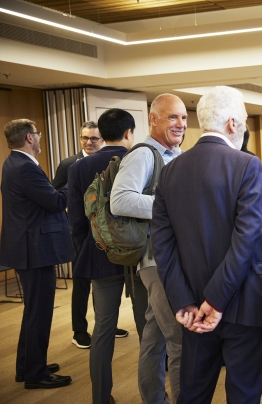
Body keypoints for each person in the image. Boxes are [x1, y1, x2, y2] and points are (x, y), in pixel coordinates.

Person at [151, 86, 262, 403]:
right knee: (243, 392)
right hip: (243, 302)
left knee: (194, 391)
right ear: (233, 123)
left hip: (191, 305)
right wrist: (216, 301)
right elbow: (245, 240)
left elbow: (163, 246)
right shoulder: (246, 165)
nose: (244, 126)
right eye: (244, 120)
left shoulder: (170, 171)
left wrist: (185, 302)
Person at [110, 94, 186, 404]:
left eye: (183, 117)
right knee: (179, 340)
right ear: (153, 119)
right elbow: (120, 199)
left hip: (170, 257)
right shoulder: (143, 155)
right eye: (172, 117)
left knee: (154, 338)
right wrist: (169, 206)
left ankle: (153, 399)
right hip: (156, 260)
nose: (180, 123)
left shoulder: (176, 154)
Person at [67, 109, 143, 404]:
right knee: (148, 328)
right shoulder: (141, 160)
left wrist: (89, 245)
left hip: (100, 254)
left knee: (103, 328)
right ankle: (153, 392)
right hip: (140, 256)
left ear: (102, 132)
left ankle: (101, 397)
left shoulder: (79, 168)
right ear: (129, 133)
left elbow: (75, 219)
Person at [1, 119, 74, 389]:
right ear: (30, 138)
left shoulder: (14, 163)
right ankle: (36, 373)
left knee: (34, 310)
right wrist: (72, 179)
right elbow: (56, 202)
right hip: (34, 250)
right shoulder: (23, 167)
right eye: (38, 134)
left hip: (27, 247)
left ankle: (27, 365)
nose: (40, 138)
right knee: (39, 312)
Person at [53, 121, 129, 349]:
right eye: (84, 138)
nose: (89, 142)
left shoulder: (116, 161)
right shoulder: (69, 165)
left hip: (110, 236)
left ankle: (106, 323)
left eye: (94, 138)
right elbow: (57, 193)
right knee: (82, 284)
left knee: (104, 284)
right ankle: (79, 330)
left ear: (102, 139)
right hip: (83, 236)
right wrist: (79, 239)